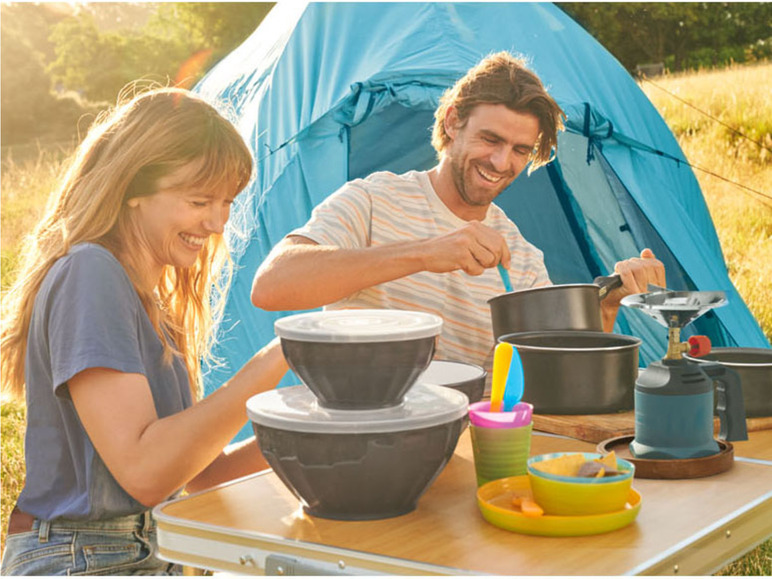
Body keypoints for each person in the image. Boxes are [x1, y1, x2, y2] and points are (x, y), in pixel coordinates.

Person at [0, 87, 288, 576]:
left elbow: (196, 476)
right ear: (133, 187)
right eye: (200, 200)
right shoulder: (91, 272)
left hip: (144, 551)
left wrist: (325, 433)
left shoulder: (152, 305)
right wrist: (280, 354)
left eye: (227, 202)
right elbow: (143, 472)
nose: (218, 223)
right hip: (88, 558)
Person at [251, 51, 665, 372]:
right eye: (490, 139)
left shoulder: (520, 259)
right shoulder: (374, 200)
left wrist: (608, 308)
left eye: (520, 150)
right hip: (363, 442)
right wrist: (427, 253)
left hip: (472, 452)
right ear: (452, 122)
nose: (502, 163)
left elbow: (558, 381)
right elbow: (272, 285)